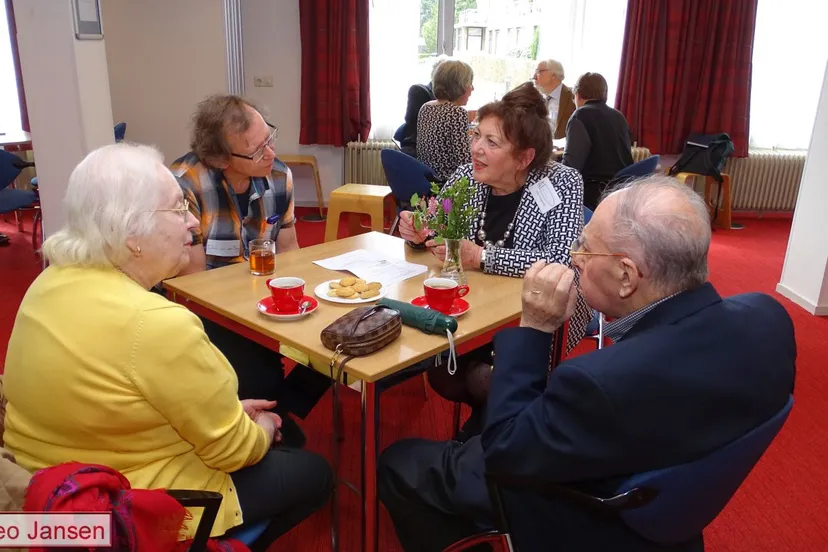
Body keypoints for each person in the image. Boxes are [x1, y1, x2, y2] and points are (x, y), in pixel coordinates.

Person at [379, 175, 796, 552]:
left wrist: (535, 327)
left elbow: (505, 449)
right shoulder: (769, 318)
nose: (574, 257)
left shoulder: (598, 381)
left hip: (585, 513)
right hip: (668, 500)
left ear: (626, 276)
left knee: (400, 462)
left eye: (585, 247)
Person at [3, 144, 333, 552]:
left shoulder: (47, 283)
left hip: (42, 480)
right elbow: (234, 451)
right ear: (132, 233)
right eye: (178, 210)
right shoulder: (157, 323)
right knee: (314, 473)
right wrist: (263, 429)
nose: (193, 222)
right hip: (125, 502)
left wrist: (231, 414)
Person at [398, 82, 592, 437]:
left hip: (538, 315)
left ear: (524, 158)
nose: (476, 149)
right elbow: (436, 228)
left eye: (492, 142)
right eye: (477, 135)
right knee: (449, 374)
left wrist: (484, 256)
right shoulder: (467, 178)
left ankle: (485, 443)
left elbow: (559, 261)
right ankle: (494, 426)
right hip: (472, 309)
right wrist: (416, 231)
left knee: (488, 378)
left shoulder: (562, 182)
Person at [170, 95, 317, 447]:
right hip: (209, 310)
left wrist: (303, 299)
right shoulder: (185, 184)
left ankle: (278, 411)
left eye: (270, 139)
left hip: (263, 297)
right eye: (256, 151)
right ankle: (259, 414)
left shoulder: (279, 175)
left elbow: (289, 250)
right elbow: (190, 287)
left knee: (336, 340)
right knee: (259, 365)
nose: (270, 154)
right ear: (220, 158)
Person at [563, 72, 634, 210]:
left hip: (593, 195)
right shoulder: (618, 116)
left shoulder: (581, 115)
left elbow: (571, 168)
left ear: (577, 94)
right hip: (621, 191)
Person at [416, 59, 475, 181]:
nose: (472, 88)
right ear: (460, 86)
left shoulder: (426, 107)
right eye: (470, 83)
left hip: (429, 178)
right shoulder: (456, 113)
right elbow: (464, 162)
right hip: (448, 182)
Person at [398, 56, 447, 157]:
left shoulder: (451, 101)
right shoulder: (419, 91)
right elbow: (415, 122)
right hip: (417, 150)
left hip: (435, 152)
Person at [533, 58, 576, 140]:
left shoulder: (573, 97)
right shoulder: (534, 99)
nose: (534, 77)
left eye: (538, 72)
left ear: (553, 75)